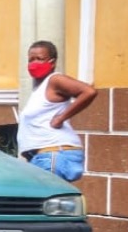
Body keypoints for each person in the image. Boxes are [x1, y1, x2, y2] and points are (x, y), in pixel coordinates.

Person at [17, 40, 96, 183]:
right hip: (45, 156)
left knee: (45, 201)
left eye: (40, 59)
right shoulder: (40, 87)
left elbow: (89, 92)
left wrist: (61, 118)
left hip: (53, 154)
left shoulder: (55, 80)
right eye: (31, 60)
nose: (34, 63)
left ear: (52, 62)